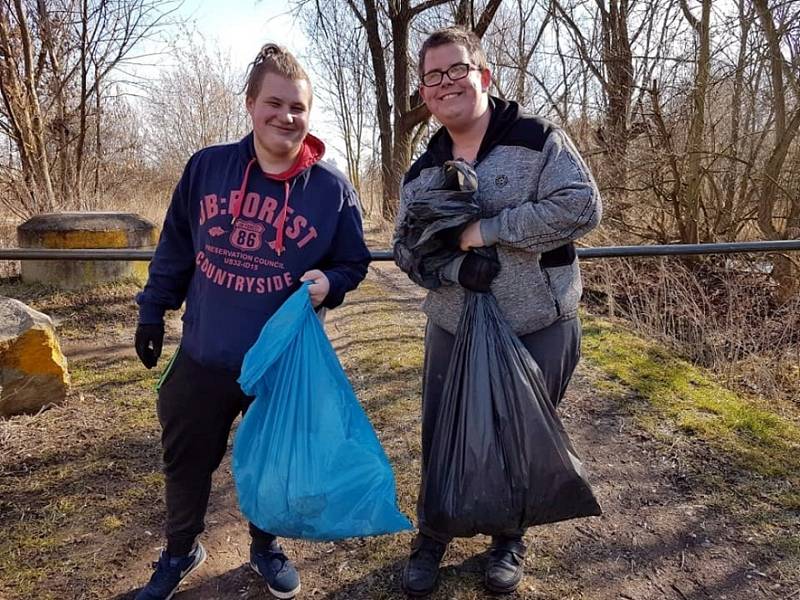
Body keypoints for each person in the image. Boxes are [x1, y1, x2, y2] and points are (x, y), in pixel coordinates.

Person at [133, 43, 370, 600]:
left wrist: (330, 284)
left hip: (279, 366)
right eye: (275, 103)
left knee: (273, 466)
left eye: (298, 107)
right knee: (186, 461)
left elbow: (352, 262)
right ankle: (180, 550)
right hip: (205, 352)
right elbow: (175, 246)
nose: (286, 116)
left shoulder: (331, 191)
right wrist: (152, 310)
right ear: (250, 104)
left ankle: (264, 547)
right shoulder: (208, 168)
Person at [394, 26, 602, 596]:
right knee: (442, 434)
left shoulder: (538, 139)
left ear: (483, 76)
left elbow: (583, 207)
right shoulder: (421, 170)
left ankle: (508, 537)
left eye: (457, 69)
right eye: (433, 76)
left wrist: (488, 231)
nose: (445, 83)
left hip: (540, 323)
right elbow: (406, 251)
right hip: (453, 328)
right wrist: (454, 269)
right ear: (425, 94)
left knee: (523, 436)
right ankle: (432, 534)